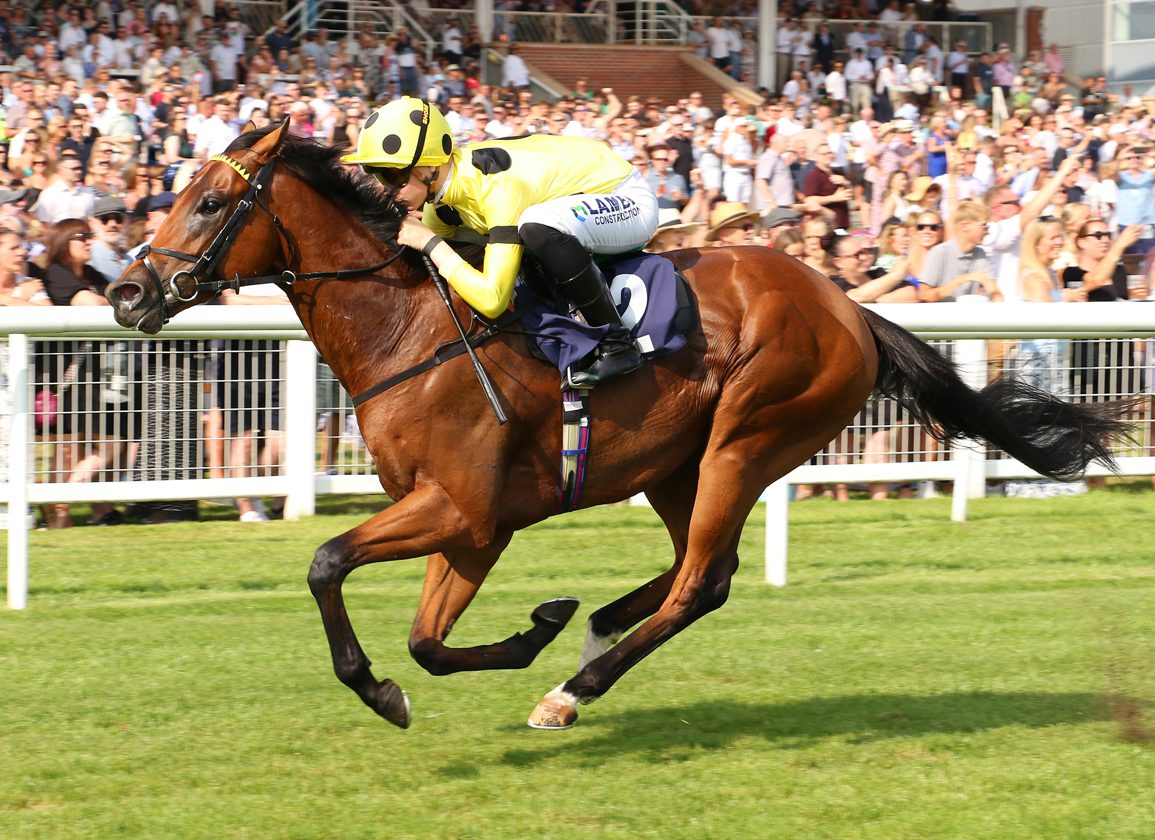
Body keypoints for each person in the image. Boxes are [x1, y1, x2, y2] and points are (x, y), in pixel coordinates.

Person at [343, 96, 657, 389]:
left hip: (626, 199)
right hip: (581, 204)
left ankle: (618, 345)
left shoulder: (497, 188)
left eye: (393, 176)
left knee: (535, 223)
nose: (386, 189)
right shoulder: (440, 206)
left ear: (428, 167)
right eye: (379, 177)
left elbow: (493, 299)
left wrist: (431, 242)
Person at [918, 199, 1003, 302]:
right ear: (964, 226)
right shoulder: (939, 253)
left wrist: (996, 297)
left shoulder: (980, 254)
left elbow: (992, 288)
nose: (987, 232)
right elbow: (924, 296)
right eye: (984, 226)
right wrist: (962, 279)